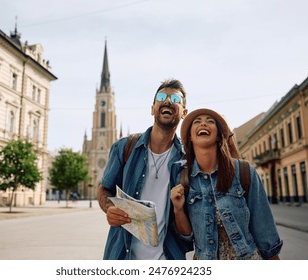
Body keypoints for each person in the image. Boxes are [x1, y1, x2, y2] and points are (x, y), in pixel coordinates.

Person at [97, 79, 192, 260]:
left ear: (184, 112)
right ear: (152, 108)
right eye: (162, 97)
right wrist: (109, 208)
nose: (167, 101)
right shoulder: (124, 148)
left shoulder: (188, 159)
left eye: (175, 99)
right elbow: (104, 188)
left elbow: (189, 226)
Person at [171, 108, 283, 260]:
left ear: (218, 135)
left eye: (210, 121)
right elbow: (187, 235)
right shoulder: (183, 179)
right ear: (190, 137)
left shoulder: (243, 171)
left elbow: (264, 228)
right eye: (197, 122)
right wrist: (178, 209)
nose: (203, 124)